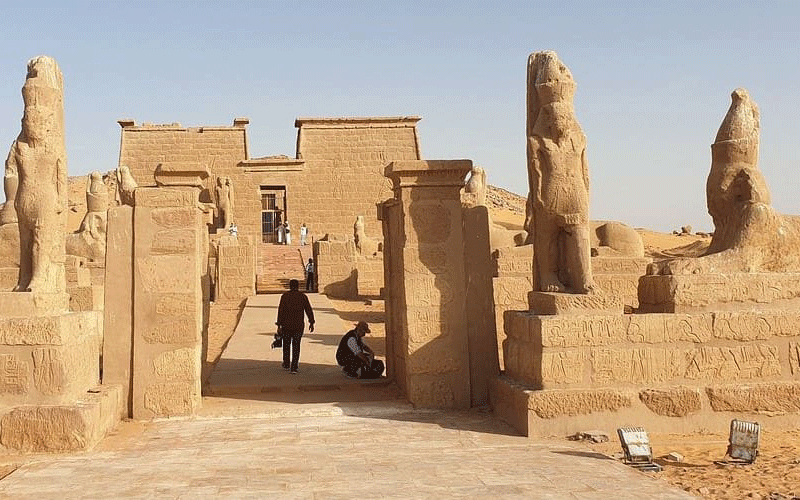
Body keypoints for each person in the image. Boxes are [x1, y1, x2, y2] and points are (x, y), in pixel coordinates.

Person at [276, 279, 314, 373]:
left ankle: (286, 363)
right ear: (297, 286)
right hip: (298, 325)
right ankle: (294, 367)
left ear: (290, 286)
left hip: (286, 325)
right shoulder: (302, 296)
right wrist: (311, 322)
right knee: (296, 346)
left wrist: (279, 324)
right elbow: (308, 310)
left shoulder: (285, 296)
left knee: (286, 344)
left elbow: (281, 311)